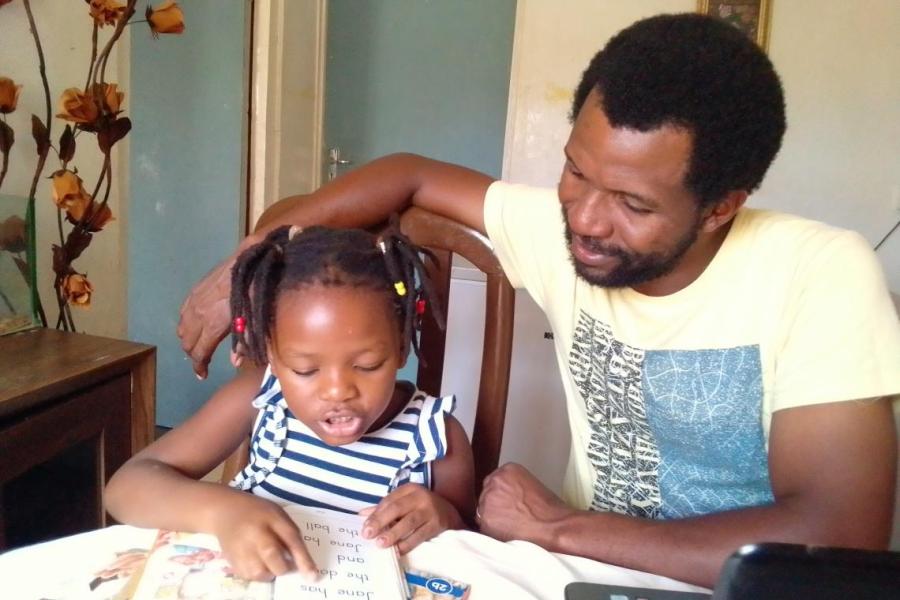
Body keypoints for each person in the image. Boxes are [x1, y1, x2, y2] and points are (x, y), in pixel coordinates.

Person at [176, 13, 900, 587]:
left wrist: (558, 528)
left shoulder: (819, 272)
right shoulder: (566, 232)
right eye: (576, 172)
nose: (584, 218)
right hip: (580, 577)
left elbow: (836, 532)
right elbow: (409, 176)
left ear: (721, 207)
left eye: (632, 204)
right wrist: (251, 254)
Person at [107, 224, 475, 582]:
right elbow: (125, 488)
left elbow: (477, 555)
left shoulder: (437, 440)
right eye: (304, 369)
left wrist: (446, 517)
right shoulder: (259, 401)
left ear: (399, 347)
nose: (337, 391)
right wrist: (222, 511)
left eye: (367, 366)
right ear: (271, 353)